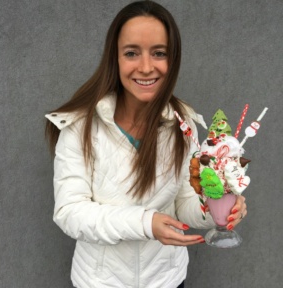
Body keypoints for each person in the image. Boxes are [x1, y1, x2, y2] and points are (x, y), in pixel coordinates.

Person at [45, 1, 247, 287]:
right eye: (131, 53)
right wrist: (146, 223)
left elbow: (185, 201)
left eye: (159, 53)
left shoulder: (184, 123)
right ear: (114, 58)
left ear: (173, 58)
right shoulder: (79, 126)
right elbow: (69, 212)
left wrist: (214, 206)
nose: (146, 67)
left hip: (167, 279)